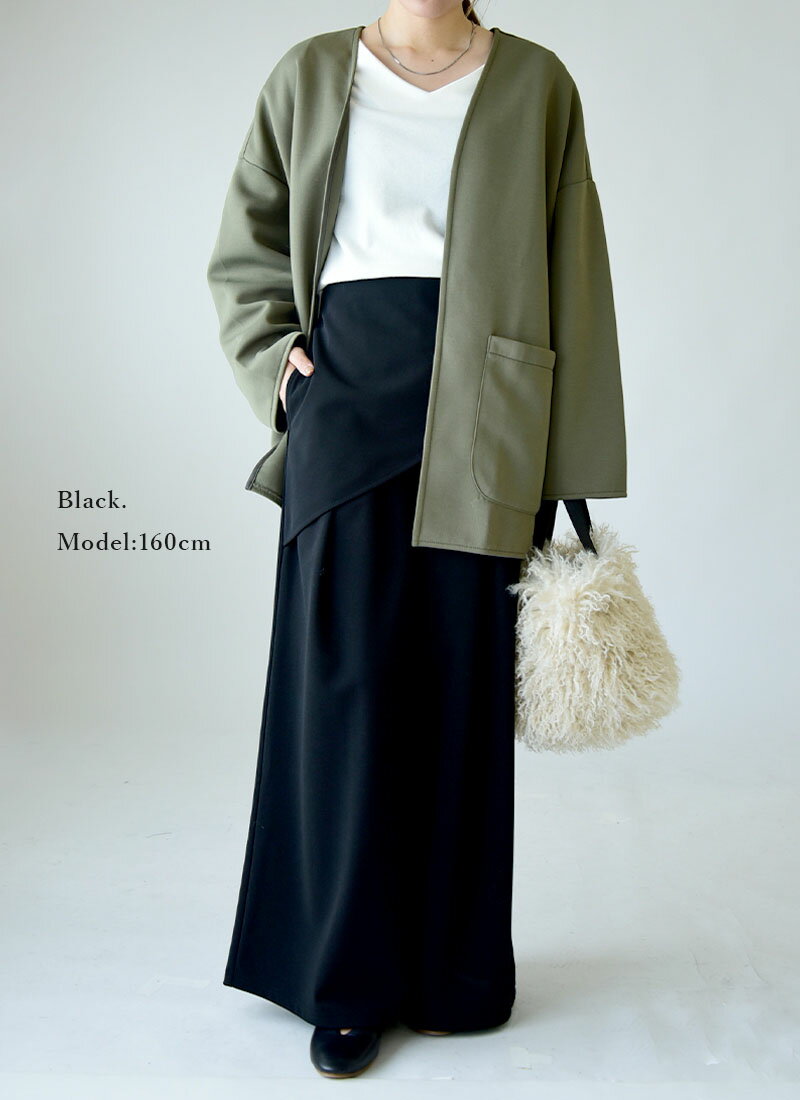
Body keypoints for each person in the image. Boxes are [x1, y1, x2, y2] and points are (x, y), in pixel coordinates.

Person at [207, 0, 627, 1080]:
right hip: (348, 396)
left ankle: (452, 973)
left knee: (457, 687)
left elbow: (574, 271)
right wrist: (277, 364)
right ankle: (343, 980)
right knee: (341, 690)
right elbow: (246, 244)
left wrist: (570, 464)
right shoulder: (310, 73)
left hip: (490, 406)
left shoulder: (535, 81)